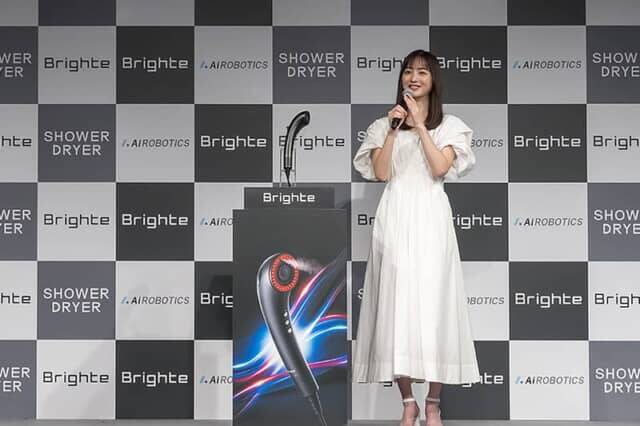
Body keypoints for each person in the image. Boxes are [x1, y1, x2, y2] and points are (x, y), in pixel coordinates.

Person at [351, 49, 481, 426]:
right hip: (395, 217)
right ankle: (408, 400)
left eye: (422, 72)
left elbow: (439, 168)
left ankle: (433, 403)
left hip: (431, 218)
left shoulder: (450, 125)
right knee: (397, 307)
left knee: (435, 307)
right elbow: (380, 173)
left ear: (433, 79)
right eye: (408, 71)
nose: (414, 78)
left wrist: (421, 126)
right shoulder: (383, 125)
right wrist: (395, 129)